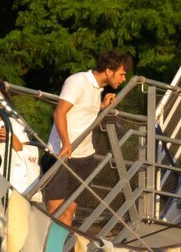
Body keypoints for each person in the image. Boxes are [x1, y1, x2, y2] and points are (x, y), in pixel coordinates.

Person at [45, 51, 133, 225]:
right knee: (55, 212)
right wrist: (66, 142)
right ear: (109, 70)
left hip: (84, 156)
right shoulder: (78, 81)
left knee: (69, 213)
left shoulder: (98, 89)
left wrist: (101, 106)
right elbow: (60, 112)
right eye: (122, 74)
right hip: (62, 153)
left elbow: (82, 112)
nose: (123, 79)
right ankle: (48, 251)